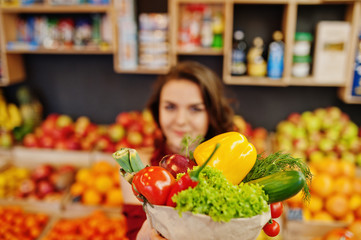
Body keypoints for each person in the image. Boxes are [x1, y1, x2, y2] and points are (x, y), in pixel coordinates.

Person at [122, 60, 235, 240]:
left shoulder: (232, 169)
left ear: (212, 114)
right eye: (170, 107)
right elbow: (134, 235)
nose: (181, 120)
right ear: (157, 110)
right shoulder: (138, 168)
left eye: (195, 109)